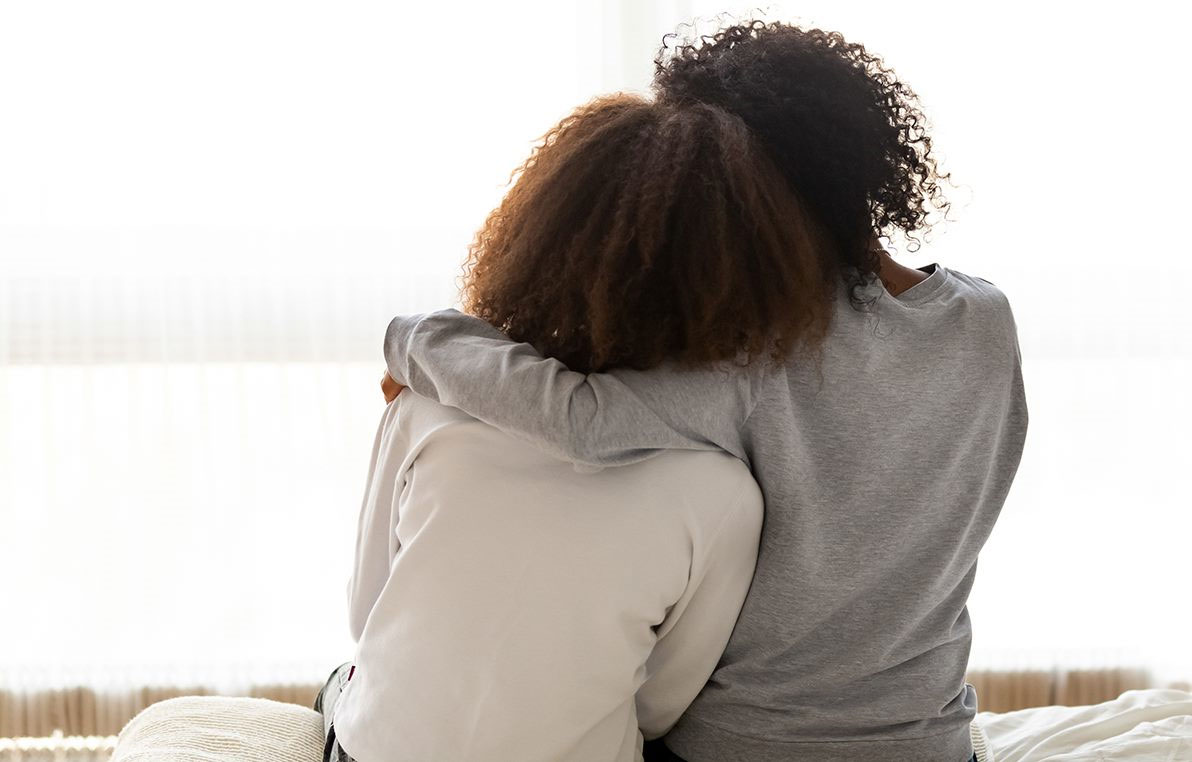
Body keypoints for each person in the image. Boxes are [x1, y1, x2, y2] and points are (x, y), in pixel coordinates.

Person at [381, 21, 1026, 762]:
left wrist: (416, 338)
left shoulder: (763, 354)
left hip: (744, 748)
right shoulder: (986, 321)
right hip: (935, 746)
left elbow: (579, 418)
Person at [316, 93, 840, 762]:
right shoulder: (723, 492)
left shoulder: (423, 408)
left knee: (342, 685)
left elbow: (369, 617)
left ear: (538, 236)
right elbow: (660, 706)